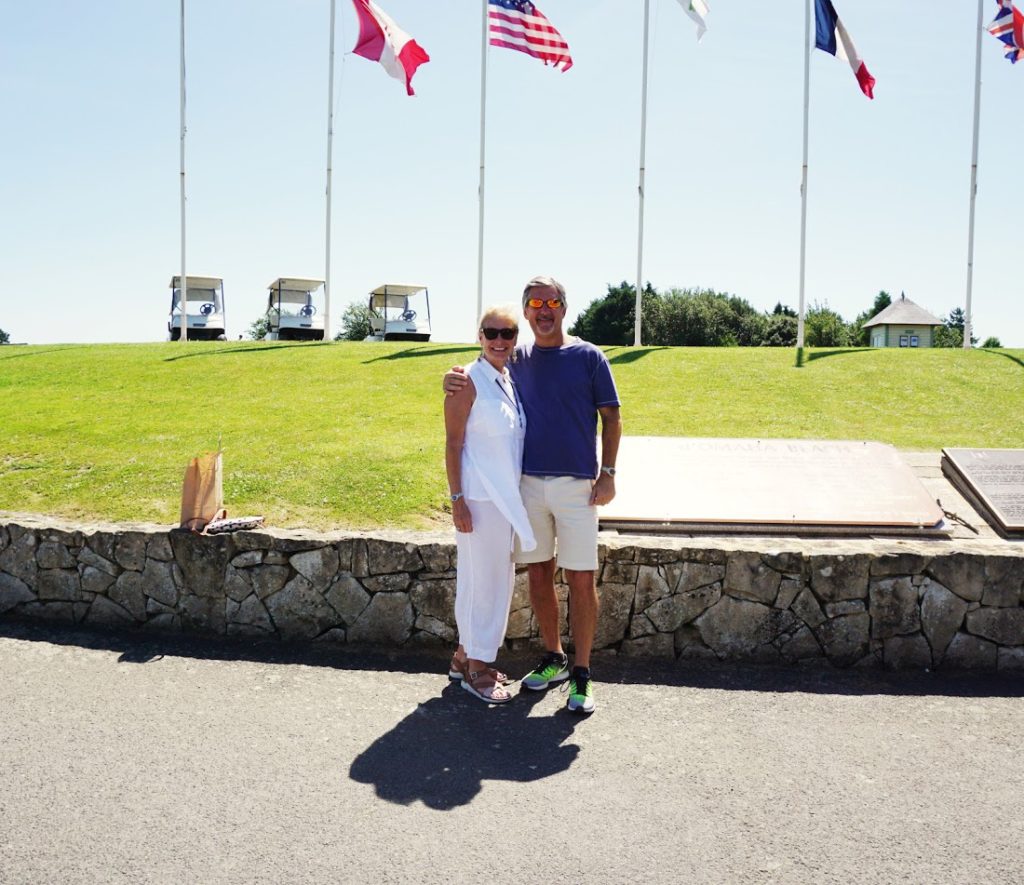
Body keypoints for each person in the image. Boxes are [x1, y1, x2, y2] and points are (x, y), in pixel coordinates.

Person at [445, 276, 621, 714]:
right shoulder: (514, 359)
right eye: (535, 304)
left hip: (577, 488)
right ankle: (552, 657)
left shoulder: (588, 356)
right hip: (524, 490)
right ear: (526, 312)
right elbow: (478, 373)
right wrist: (452, 376)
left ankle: (581, 673)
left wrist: (608, 474)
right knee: (536, 573)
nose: (544, 311)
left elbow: (612, 417)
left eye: (552, 303)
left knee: (580, 578)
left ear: (564, 308)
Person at [444, 305, 537, 703]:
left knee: (489, 581)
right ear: (479, 336)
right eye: (492, 332)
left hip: (504, 501)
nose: (500, 340)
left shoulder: (508, 379)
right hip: (479, 499)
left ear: (516, 339)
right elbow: (453, 445)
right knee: (484, 585)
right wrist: (457, 501)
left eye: (508, 333)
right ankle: (478, 669)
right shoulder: (466, 380)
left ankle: (463, 657)